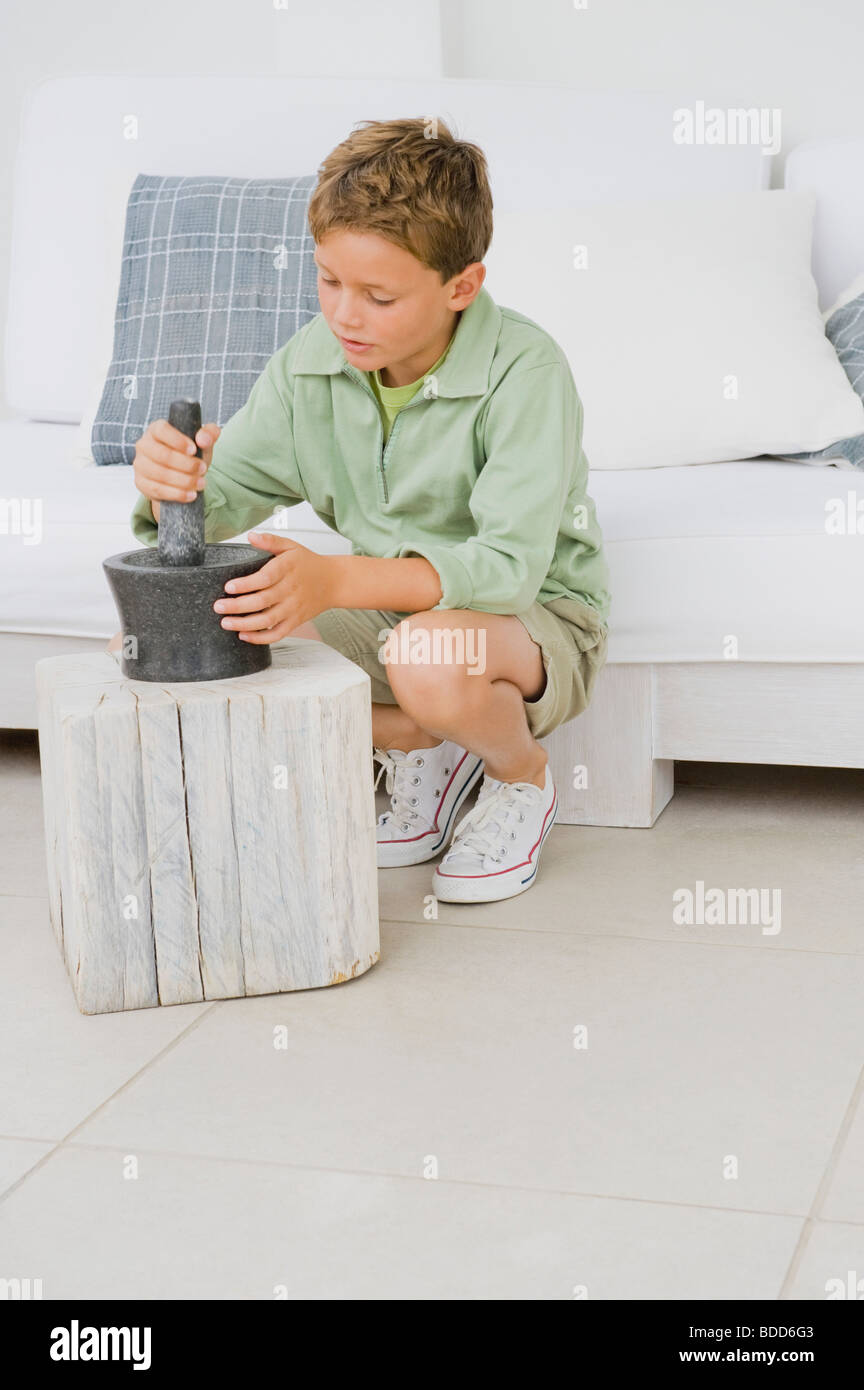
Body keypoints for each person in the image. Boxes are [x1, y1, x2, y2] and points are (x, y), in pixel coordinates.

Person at [117, 117, 611, 904]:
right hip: (391, 616)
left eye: (379, 296)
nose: (345, 316)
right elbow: (219, 504)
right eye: (329, 281)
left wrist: (336, 580)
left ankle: (518, 777)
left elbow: (509, 572)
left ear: (461, 287)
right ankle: (420, 743)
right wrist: (172, 482)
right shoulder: (309, 367)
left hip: (534, 619)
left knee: (427, 657)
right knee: (193, 624)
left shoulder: (527, 372)